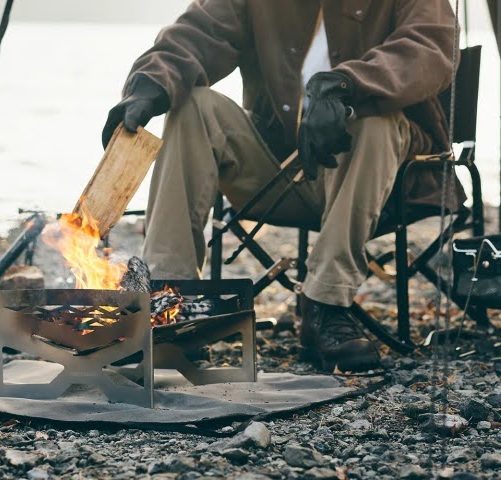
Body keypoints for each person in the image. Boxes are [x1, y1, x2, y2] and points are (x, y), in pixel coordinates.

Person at [102, 1, 459, 372]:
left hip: (380, 181)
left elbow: (432, 46)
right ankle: (169, 303)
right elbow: (200, 32)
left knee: (374, 122)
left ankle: (326, 304)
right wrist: (150, 84)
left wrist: (347, 86)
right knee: (192, 104)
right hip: (275, 175)